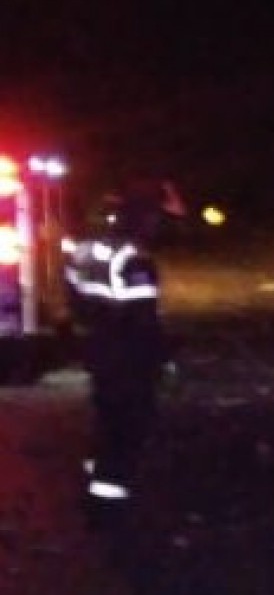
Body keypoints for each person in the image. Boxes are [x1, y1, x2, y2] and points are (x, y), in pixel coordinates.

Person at [64, 182, 179, 531]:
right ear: (143, 218)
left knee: (106, 419)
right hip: (128, 355)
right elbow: (142, 319)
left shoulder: (85, 250)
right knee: (127, 427)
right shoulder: (135, 259)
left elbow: (74, 299)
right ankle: (110, 506)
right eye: (157, 218)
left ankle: (96, 486)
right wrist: (163, 359)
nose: (159, 226)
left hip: (97, 348)